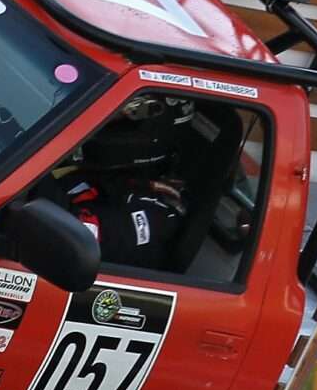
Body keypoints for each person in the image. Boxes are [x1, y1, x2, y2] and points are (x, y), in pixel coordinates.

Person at [44, 95, 201, 268]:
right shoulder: (107, 174)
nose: (95, 122)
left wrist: (34, 168)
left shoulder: (157, 213)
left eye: (112, 119)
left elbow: (66, 237)